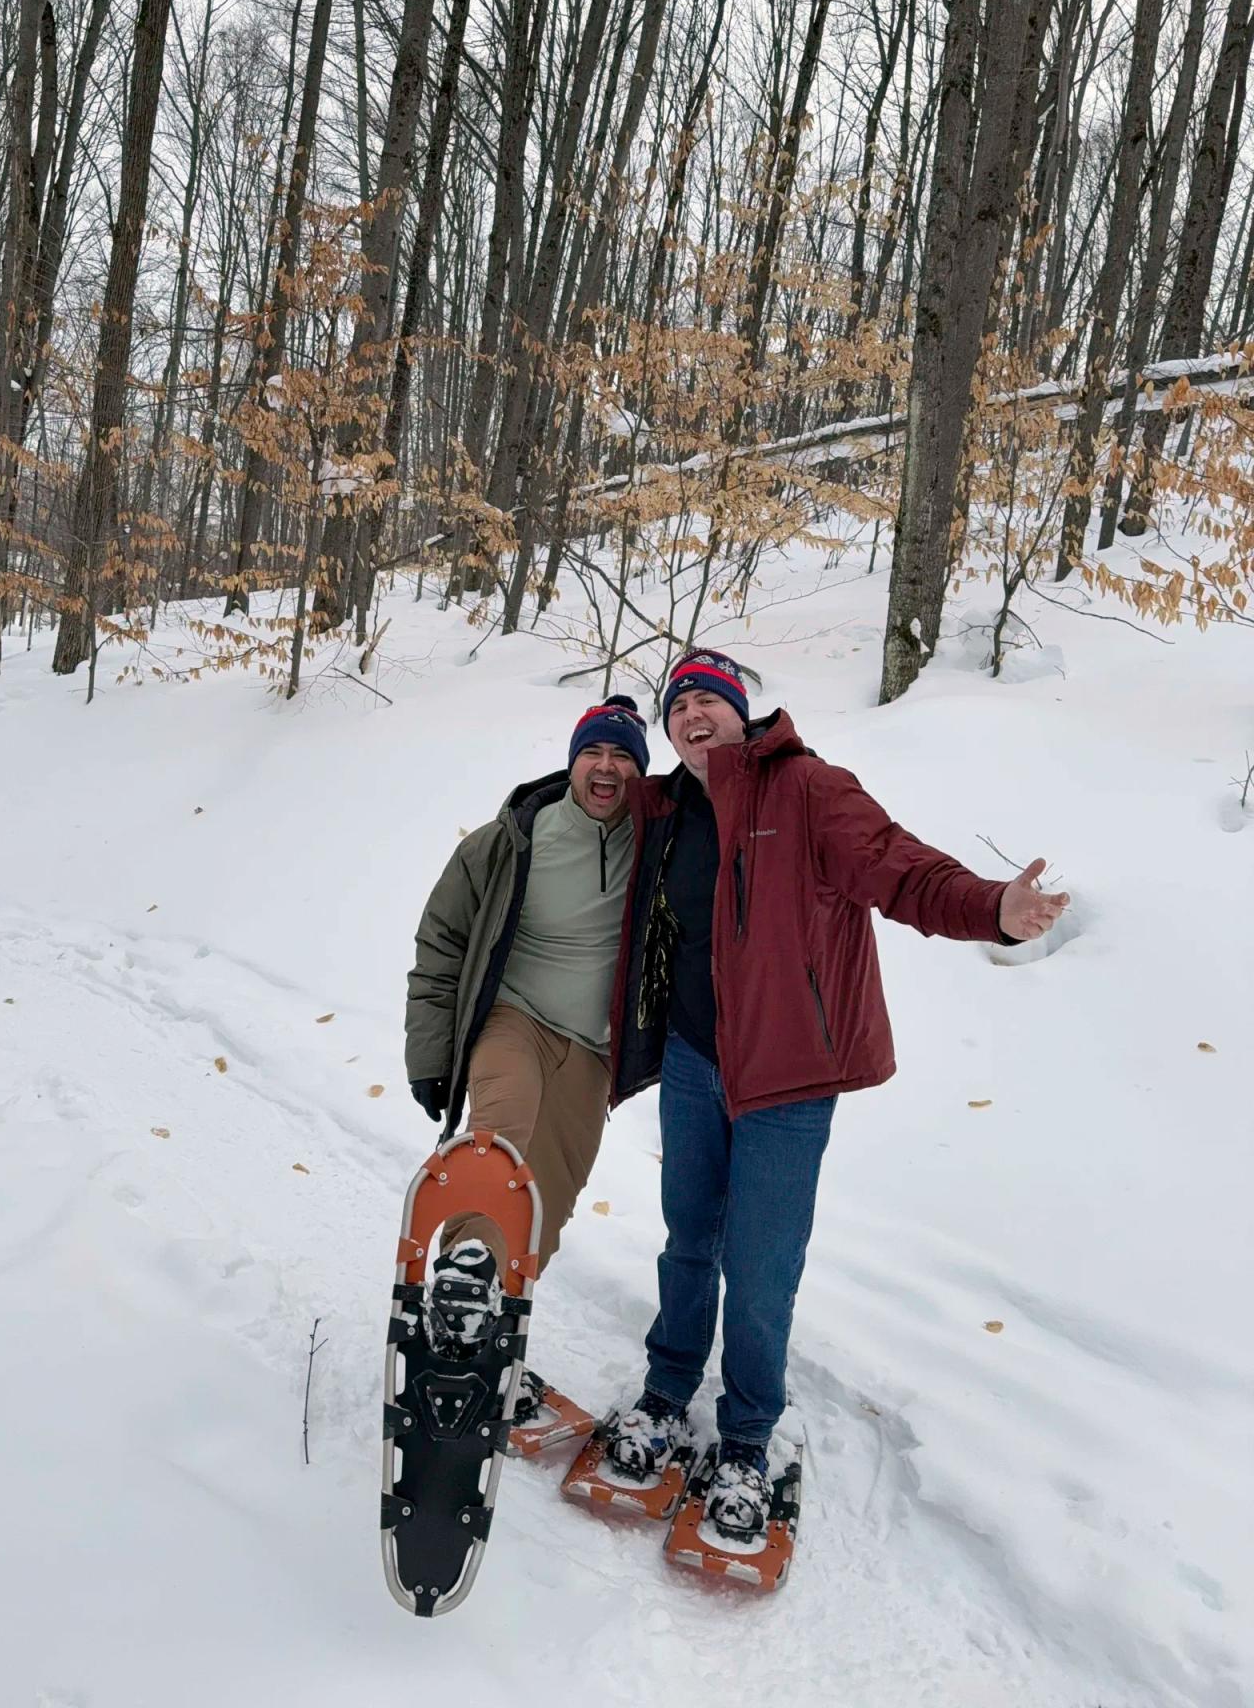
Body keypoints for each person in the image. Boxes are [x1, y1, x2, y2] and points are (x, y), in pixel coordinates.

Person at [602, 649, 1069, 1542]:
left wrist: (991, 910)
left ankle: (744, 1437)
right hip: (698, 1064)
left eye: (711, 700)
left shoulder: (808, 789)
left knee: (763, 1262)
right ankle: (665, 1395)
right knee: (688, 1237)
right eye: (680, 705)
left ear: (743, 712)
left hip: (789, 1077)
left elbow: (901, 870)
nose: (694, 715)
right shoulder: (663, 810)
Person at [404, 695, 650, 1408]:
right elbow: (441, 941)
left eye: (623, 756)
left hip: (593, 1051)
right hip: (514, 1017)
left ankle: (488, 1330)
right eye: (594, 753)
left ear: (639, 771)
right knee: (499, 1142)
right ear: (572, 761)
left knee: (549, 1203)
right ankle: (465, 1278)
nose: (607, 767)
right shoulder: (512, 839)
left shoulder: (657, 840)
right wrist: (429, 1053)